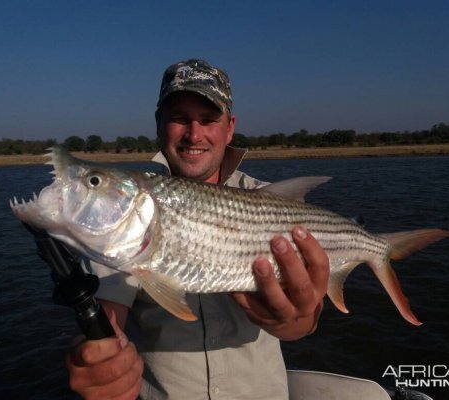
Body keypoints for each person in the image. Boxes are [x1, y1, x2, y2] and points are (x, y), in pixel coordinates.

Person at [65, 59, 329, 400]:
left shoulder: (273, 202)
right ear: (159, 124)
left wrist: (295, 321)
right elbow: (107, 322)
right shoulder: (123, 212)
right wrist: (100, 364)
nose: (194, 134)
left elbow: (305, 323)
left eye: (208, 120)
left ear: (229, 127)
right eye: (179, 118)